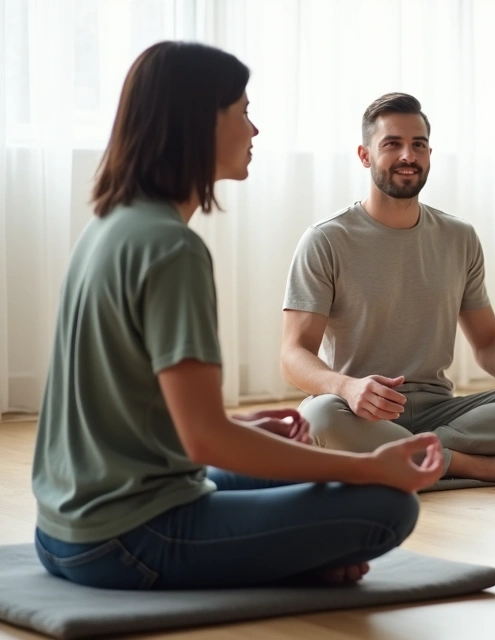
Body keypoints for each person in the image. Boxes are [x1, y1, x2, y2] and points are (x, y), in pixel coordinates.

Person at [31, 42, 445, 591]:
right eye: (244, 112)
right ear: (199, 123)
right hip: (126, 541)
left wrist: (243, 427)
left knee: (274, 466)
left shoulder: (110, 224)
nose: (254, 130)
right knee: (387, 506)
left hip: (62, 530)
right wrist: (370, 468)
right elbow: (205, 443)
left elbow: (125, 410)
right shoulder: (171, 249)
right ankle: (295, 553)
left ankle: (290, 553)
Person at [281, 93, 495, 486]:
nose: (407, 156)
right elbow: (294, 354)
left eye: (418, 145)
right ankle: (472, 465)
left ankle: (412, 456)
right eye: (392, 144)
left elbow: (489, 343)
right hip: (360, 410)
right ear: (364, 155)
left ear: (430, 153)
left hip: (439, 410)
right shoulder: (326, 240)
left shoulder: (458, 236)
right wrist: (346, 386)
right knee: (319, 416)